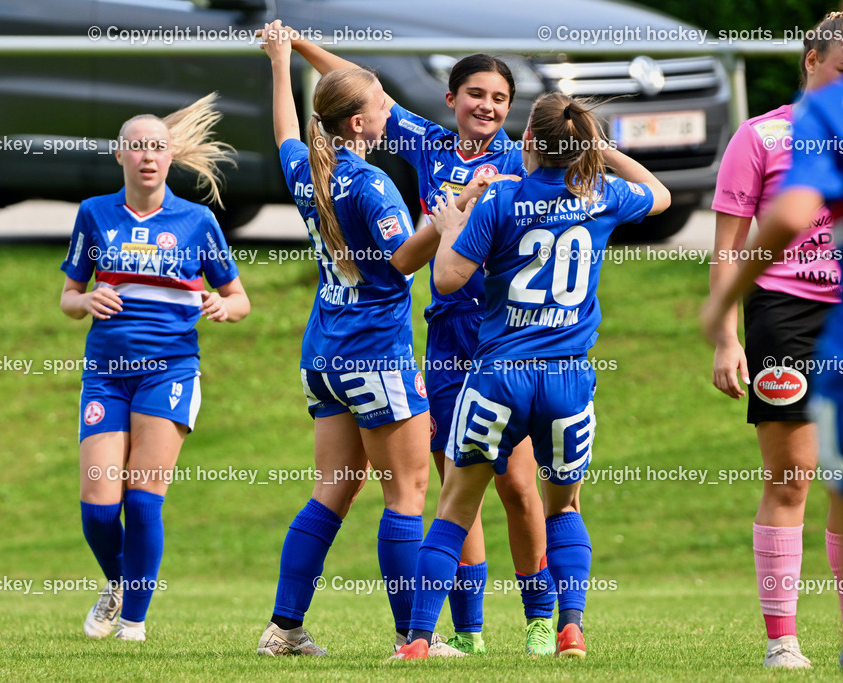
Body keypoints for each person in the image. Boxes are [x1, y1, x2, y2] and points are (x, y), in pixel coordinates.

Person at [289, 35, 558, 656]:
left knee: (517, 484)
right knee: (453, 482)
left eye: (499, 98)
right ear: (451, 99)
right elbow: (361, 87)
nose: (486, 106)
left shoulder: (524, 161)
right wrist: (298, 45)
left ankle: (541, 619)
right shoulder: (428, 142)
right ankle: (466, 632)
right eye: (475, 95)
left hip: (506, 336)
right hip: (443, 340)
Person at [392, 92, 670, 660]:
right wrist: (604, 152)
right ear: (582, 147)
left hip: (499, 375)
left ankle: (419, 639)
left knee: (455, 506)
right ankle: (569, 630)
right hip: (567, 379)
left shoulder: (500, 197)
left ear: (527, 145)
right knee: (562, 506)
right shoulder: (602, 197)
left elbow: (446, 279)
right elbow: (661, 195)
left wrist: (449, 226)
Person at [255, 21, 463, 658]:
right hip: (376, 350)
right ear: (357, 124)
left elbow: (286, 132)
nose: (388, 114)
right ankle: (411, 637)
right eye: (380, 107)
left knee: (334, 488)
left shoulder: (309, 170)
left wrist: (281, 61)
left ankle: (283, 629)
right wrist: (451, 213)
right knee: (406, 492)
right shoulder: (373, 185)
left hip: (323, 351)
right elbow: (401, 262)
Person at [60, 94, 250, 642]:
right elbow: (69, 296)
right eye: (138, 147)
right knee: (99, 510)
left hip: (168, 371)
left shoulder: (197, 221)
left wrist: (222, 307)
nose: (148, 156)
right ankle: (120, 584)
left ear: (171, 158)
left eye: (158, 148)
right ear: (120, 155)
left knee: (143, 500)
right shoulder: (94, 214)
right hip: (106, 374)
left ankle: (135, 626)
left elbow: (238, 298)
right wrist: (86, 301)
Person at [704, 7, 843, 678]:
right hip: (786, 315)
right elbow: (729, 248)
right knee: (791, 476)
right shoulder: (762, 136)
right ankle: (783, 638)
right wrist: (726, 336)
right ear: (812, 63)